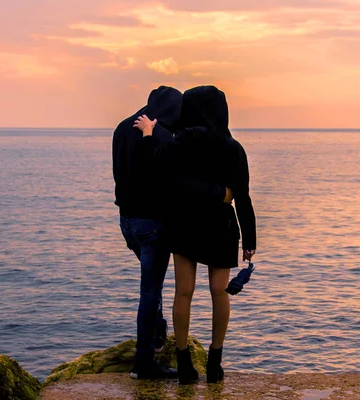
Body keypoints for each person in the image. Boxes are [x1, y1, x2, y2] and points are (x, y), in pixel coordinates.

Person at [138, 85, 257, 384]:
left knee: (183, 292)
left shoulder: (183, 141)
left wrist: (149, 134)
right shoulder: (233, 148)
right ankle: (215, 363)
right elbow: (242, 197)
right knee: (219, 291)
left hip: (185, 222)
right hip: (220, 226)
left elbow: (158, 169)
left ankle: (185, 365)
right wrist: (250, 242)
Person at [112, 86, 232, 379]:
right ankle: (144, 361)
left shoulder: (121, 128)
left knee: (154, 286)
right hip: (153, 223)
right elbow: (173, 181)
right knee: (151, 291)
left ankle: (157, 333)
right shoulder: (164, 137)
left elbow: (122, 171)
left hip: (127, 221)